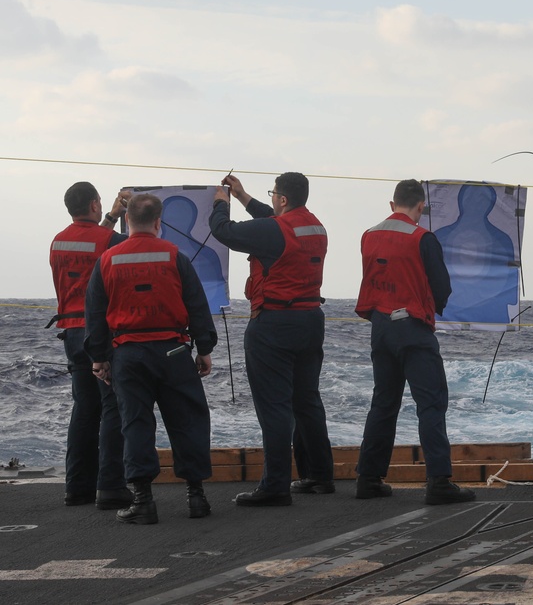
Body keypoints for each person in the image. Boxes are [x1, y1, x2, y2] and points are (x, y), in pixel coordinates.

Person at [84, 193, 217, 524]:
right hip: (173, 351)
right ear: (159, 222)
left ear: (127, 220)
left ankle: (143, 501)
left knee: (136, 425)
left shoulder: (108, 260)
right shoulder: (176, 257)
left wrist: (99, 358)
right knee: (188, 420)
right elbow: (198, 306)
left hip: (128, 355)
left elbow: (95, 314)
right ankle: (196, 497)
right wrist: (204, 348)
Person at [210, 173, 334, 506]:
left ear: (281, 199)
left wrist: (220, 202)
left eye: (274, 194)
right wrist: (243, 196)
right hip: (310, 321)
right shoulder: (314, 226)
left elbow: (224, 232)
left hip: (274, 324)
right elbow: (271, 220)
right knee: (307, 401)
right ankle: (320, 476)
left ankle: (275, 486)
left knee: (275, 408)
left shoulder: (275, 229)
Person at [354, 179, 475, 505]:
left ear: (391, 204)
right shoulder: (423, 238)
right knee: (431, 404)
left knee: (383, 402)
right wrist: (432, 306)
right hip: (412, 328)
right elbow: (441, 288)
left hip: (380, 327)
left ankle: (368, 478)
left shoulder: (368, 236)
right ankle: (438, 482)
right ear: (420, 207)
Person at [49, 182, 133, 510]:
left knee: (84, 409)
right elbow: (118, 250)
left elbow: (92, 243)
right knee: (112, 406)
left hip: (70, 331)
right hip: (101, 332)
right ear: (95, 204)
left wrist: (112, 215)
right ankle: (111, 486)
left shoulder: (58, 242)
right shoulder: (110, 241)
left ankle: (76, 487)